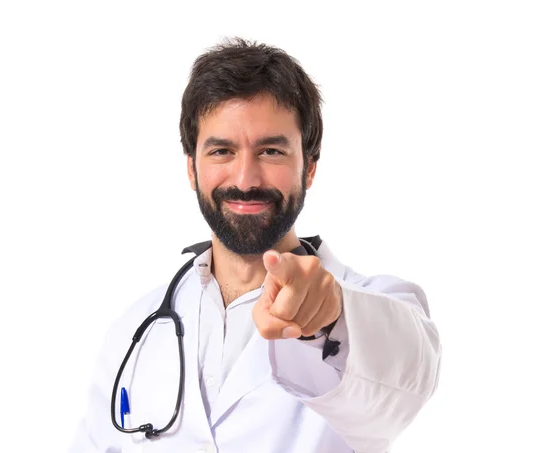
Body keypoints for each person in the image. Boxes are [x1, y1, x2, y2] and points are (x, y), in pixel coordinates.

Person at [69, 37, 441, 453]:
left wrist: (328, 315)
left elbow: (410, 369)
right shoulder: (134, 331)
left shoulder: (371, 306)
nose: (245, 179)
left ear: (310, 167)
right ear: (192, 168)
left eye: (271, 151)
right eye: (222, 151)